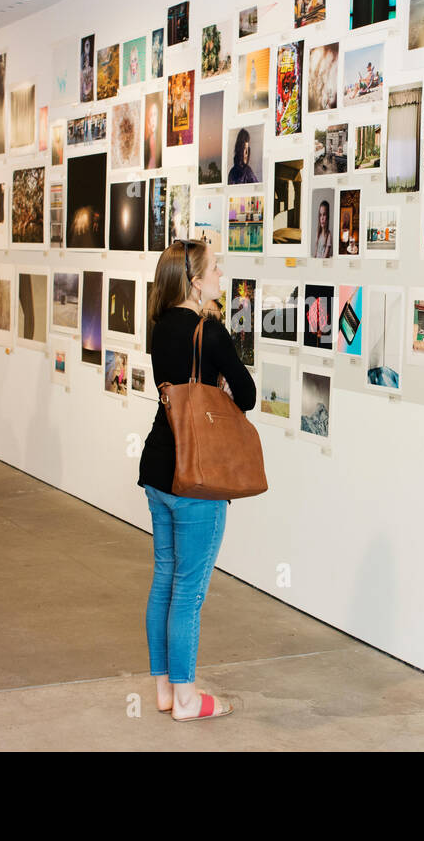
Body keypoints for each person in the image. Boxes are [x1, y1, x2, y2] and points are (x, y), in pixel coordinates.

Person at [138, 239, 256, 721]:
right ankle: (188, 700)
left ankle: (165, 689)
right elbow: (245, 395)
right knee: (189, 591)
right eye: (214, 267)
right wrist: (222, 384)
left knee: (165, 578)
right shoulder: (211, 331)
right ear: (195, 280)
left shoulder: (158, 326)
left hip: (159, 467)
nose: (220, 272)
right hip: (197, 476)